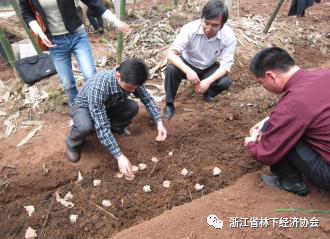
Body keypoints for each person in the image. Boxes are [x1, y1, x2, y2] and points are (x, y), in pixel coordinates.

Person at [245, 47, 330, 196]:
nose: (263, 87)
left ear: (270, 76)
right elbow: (312, 106)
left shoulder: (291, 106)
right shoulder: (324, 74)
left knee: (273, 131)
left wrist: (251, 143)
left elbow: (266, 155)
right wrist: (271, 117)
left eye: (260, 83)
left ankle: (293, 183)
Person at [66, 58, 167, 180]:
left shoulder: (131, 79)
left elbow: (147, 99)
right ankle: (73, 144)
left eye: (136, 87)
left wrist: (159, 122)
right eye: (130, 88)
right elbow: (102, 126)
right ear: (118, 76)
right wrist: (119, 156)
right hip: (84, 107)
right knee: (84, 126)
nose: (134, 91)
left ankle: (116, 128)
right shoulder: (98, 87)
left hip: (109, 105)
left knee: (132, 107)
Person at [19, 0, 130, 106]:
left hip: (77, 36)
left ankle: (97, 106)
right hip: (55, 42)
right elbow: (26, 13)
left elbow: (92, 2)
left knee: (90, 76)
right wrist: (40, 33)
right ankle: (78, 111)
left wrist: (115, 21)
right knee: (67, 84)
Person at [163, 0, 236, 119]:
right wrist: (188, 71)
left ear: (222, 25)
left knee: (224, 82)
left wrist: (207, 81)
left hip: (208, 66)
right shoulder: (189, 29)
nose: (208, 28)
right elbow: (171, 54)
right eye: (206, 23)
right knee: (171, 70)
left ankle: (207, 92)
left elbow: (226, 65)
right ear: (202, 18)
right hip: (188, 62)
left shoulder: (229, 36)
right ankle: (169, 104)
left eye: (215, 25)